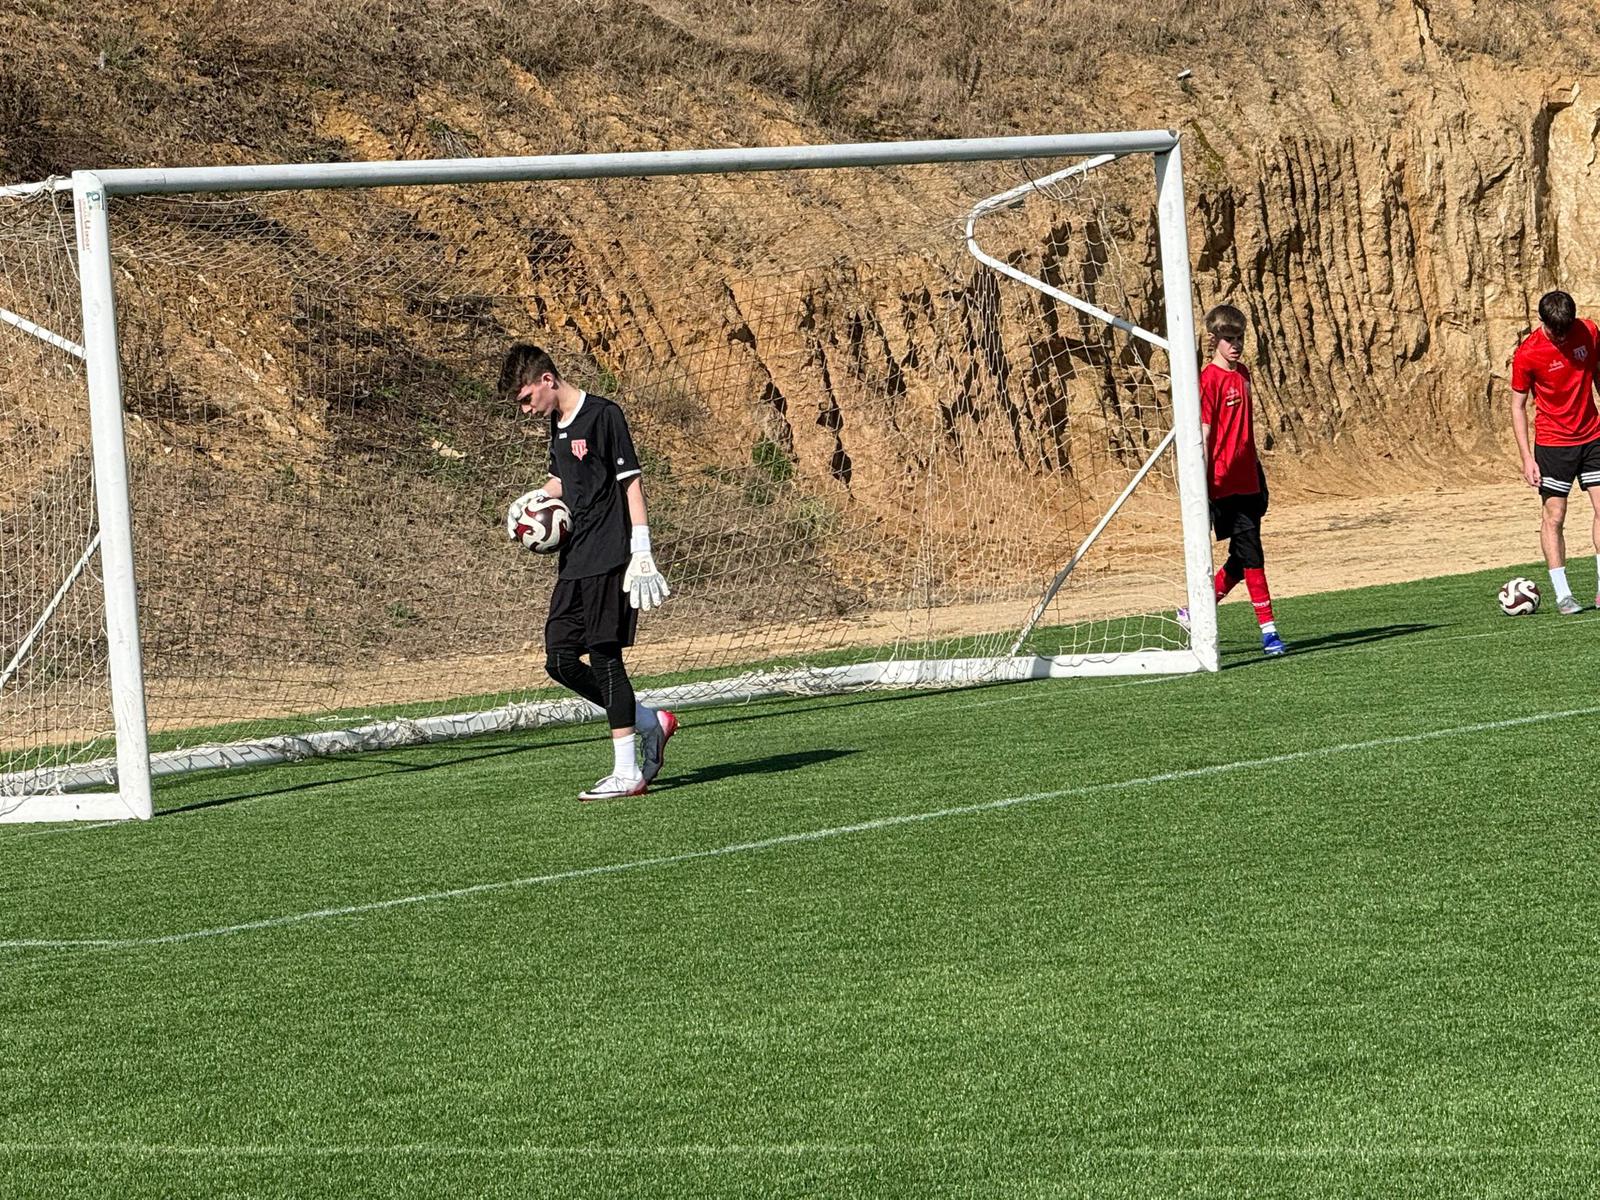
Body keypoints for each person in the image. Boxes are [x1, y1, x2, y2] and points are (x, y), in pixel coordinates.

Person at [499, 344, 677, 800]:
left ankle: (627, 772)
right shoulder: (556, 424)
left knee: (604, 657)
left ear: (547, 380)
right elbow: (563, 480)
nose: (526, 410)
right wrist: (531, 502)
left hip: (610, 553)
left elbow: (631, 482)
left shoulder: (603, 415)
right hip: (574, 559)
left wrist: (642, 549)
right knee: (559, 659)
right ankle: (647, 721)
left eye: (526, 399)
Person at [1191, 303, 1286, 657]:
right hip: (1224, 482)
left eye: (1240, 337)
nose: (1236, 345)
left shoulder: (1243, 373)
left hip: (1249, 478)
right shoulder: (1208, 380)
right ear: (1213, 339)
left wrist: (1257, 470)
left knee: (1240, 557)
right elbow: (1204, 434)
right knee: (1252, 555)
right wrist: (1200, 486)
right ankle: (1269, 632)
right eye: (1228, 338)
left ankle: (1193, 612)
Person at [1510, 289, 1600, 614]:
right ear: (1543, 322)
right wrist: (1526, 458)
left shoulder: (1589, 331)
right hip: (1553, 445)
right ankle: (1564, 595)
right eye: (1555, 331)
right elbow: (1518, 406)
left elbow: (1598, 373)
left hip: (1593, 436)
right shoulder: (1528, 353)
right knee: (1555, 516)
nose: (1561, 337)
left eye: (1566, 329)